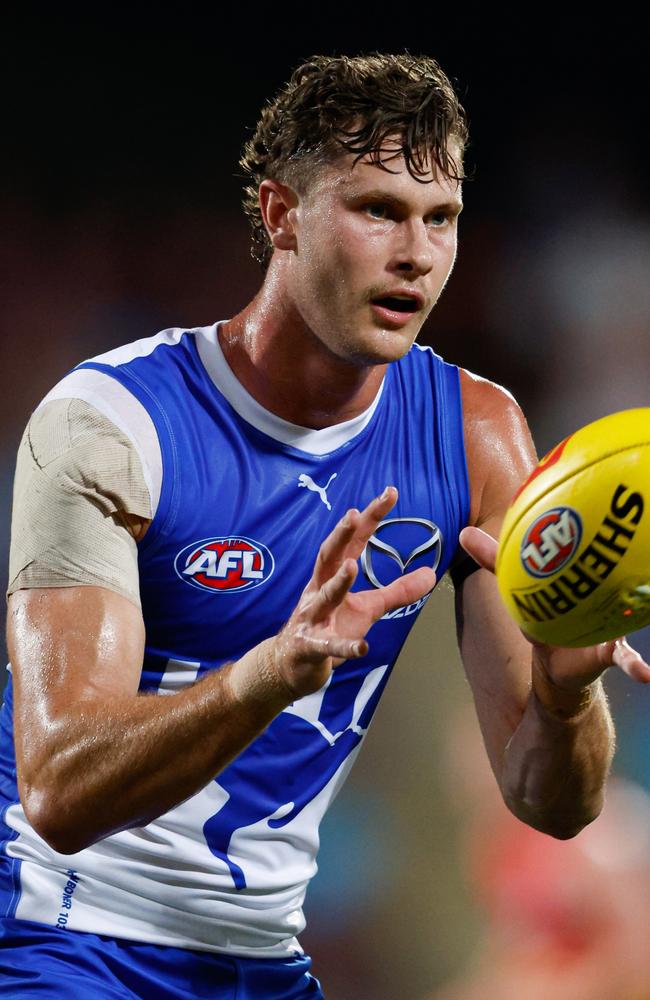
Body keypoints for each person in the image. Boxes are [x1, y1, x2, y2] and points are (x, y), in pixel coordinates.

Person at [1, 53, 648, 999]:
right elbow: (59, 791)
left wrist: (561, 696)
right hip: (65, 940)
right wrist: (274, 670)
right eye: (378, 210)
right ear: (278, 217)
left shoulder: (475, 436)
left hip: (262, 963)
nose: (417, 253)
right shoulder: (111, 423)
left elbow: (551, 802)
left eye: (442, 219)